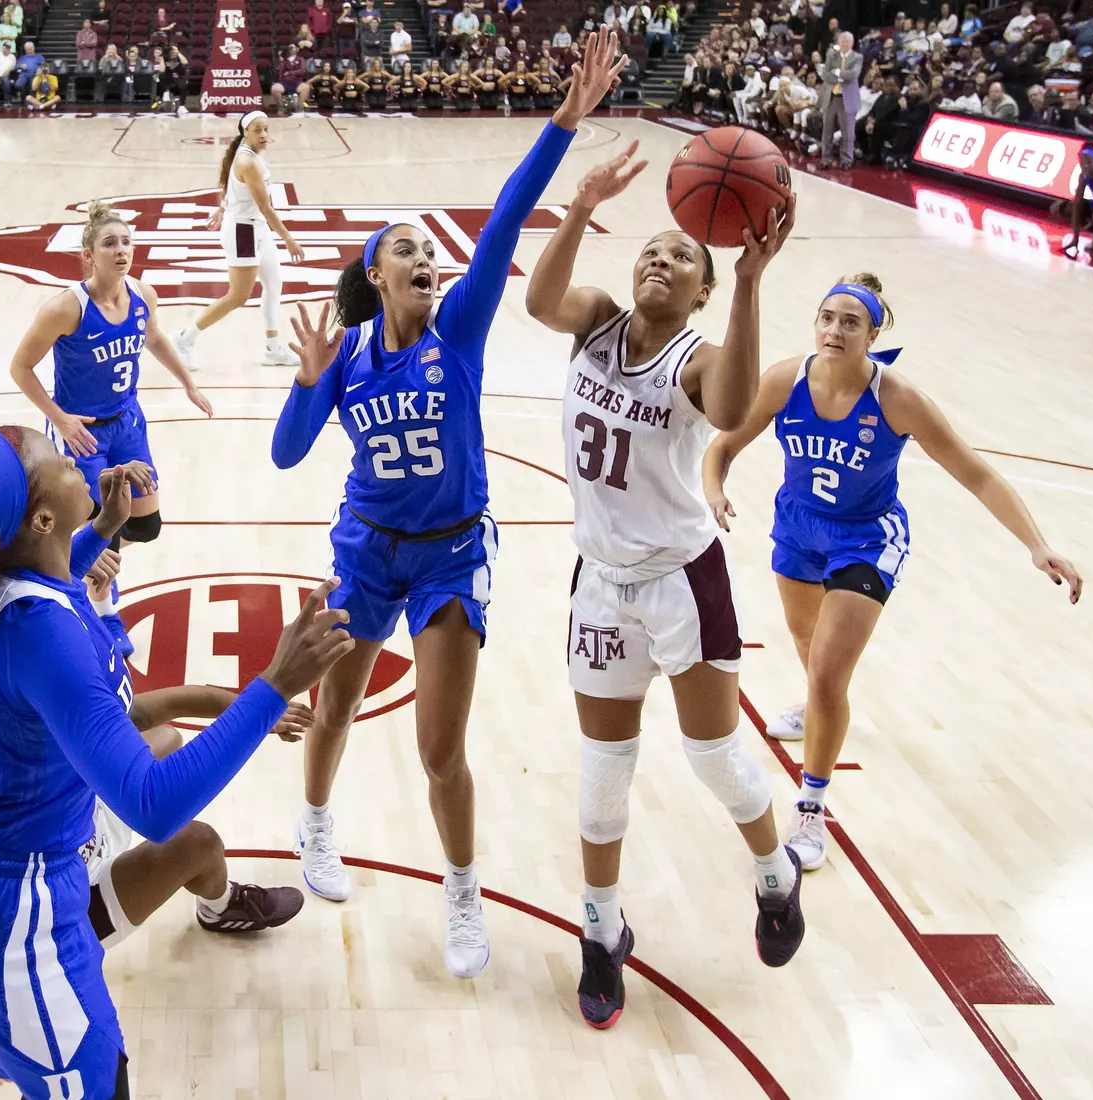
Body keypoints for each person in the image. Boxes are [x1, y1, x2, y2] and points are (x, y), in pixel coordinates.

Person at [273, 27, 629, 982]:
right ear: (375, 278)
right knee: (335, 706)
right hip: (364, 551)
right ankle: (313, 827)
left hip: (447, 556)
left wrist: (561, 126)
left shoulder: (459, 328)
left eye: (430, 253)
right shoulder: (344, 354)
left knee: (441, 749)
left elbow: (507, 222)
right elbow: (284, 453)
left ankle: (462, 895)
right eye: (406, 255)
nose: (426, 261)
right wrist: (308, 385)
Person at [0, 425, 346, 1100]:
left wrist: (102, 526)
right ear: (41, 518)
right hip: (11, 905)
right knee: (101, 1082)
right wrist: (273, 684)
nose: (79, 461)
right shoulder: (43, 635)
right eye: (60, 463)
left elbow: (48, 569)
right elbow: (153, 804)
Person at [524, 135, 800, 1027]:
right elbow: (537, 299)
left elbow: (729, 406)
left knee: (712, 753)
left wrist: (753, 281)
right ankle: (601, 934)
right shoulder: (596, 317)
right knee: (604, 771)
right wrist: (577, 206)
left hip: (684, 580)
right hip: (600, 583)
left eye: (681, 254)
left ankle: (773, 868)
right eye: (650, 247)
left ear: (701, 291)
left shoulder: (692, 358)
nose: (660, 258)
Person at [702, 276, 1083, 869]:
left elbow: (976, 472)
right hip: (799, 527)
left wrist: (1037, 545)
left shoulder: (898, 399)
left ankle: (810, 812)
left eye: (850, 322)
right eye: (827, 317)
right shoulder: (786, 379)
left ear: (873, 335)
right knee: (808, 647)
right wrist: (715, 490)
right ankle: (817, 708)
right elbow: (721, 447)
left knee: (828, 672)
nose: (834, 330)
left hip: (866, 539)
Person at [9, 201, 213, 654]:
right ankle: (103, 613)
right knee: (105, 531)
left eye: (126, 242)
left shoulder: (142, 293)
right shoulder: (65, 308)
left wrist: (188, 383)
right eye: (110, 244)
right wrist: (59, 417)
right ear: (88, 255)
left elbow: (154, 337)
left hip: (128, 422)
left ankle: (86, 568)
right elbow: (20, 367)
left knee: (146, 526)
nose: (121, 250)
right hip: (82, 433)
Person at [174, 113, 308, 369]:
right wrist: (289, 238)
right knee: (237, 296)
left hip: (256, 228)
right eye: (258, 130)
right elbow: (266, 208)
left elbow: (237, 189)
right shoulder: (248, 161)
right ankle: (183, 339)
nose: (263, 134)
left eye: (266, 129)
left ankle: (272, 348)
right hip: (242, 232)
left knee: (273, 285)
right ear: (245, 132)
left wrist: (223, 206)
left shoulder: (253, 154)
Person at [1050, 142, 1093, 263]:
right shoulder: (1083, 176)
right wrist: (1075, 240)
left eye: (1089, 162)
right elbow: (1077, 204)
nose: (1086, 166)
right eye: (1083, 162)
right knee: (1060, 208)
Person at [819, 30, 862, 167]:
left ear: (851, 43)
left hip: (847, 100)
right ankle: (826, 159)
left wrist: (836, 73)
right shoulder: (832, 56)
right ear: (838, 42)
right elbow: (825, 75)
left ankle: (846, 160)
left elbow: (853, 74)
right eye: (842, 41)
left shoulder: (857, 57)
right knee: (827, 131)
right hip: (831, 97)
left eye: (846, 41)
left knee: (847, 133)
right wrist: (841, 76)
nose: (844, 44)